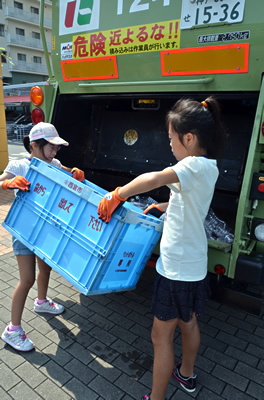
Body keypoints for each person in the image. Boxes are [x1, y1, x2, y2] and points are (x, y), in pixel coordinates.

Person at [97, 97, 227, 400]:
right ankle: (187, 374)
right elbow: (191, 201)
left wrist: (118, 194)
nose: (170, 144)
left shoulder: (190, 166)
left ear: (189, 138)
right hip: (194, 267)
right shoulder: (209, 167)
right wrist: (166, 204)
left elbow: (153, 178)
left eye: (172, 139)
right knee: (189, 322)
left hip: (176, 269)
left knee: (160, 337)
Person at [1, 122, 85, 352]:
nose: (55, 152)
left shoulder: (54, 163)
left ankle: (41, 302)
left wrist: (74, 172)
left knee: (45, 269)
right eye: (51, 148)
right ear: (35, 145)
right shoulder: (20, 165)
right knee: (26, 279)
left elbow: (67, 172)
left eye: (57, 148)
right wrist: (8, 182)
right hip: (24, 231)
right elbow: (0, 181)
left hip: (45, 230)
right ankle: (12, 330)